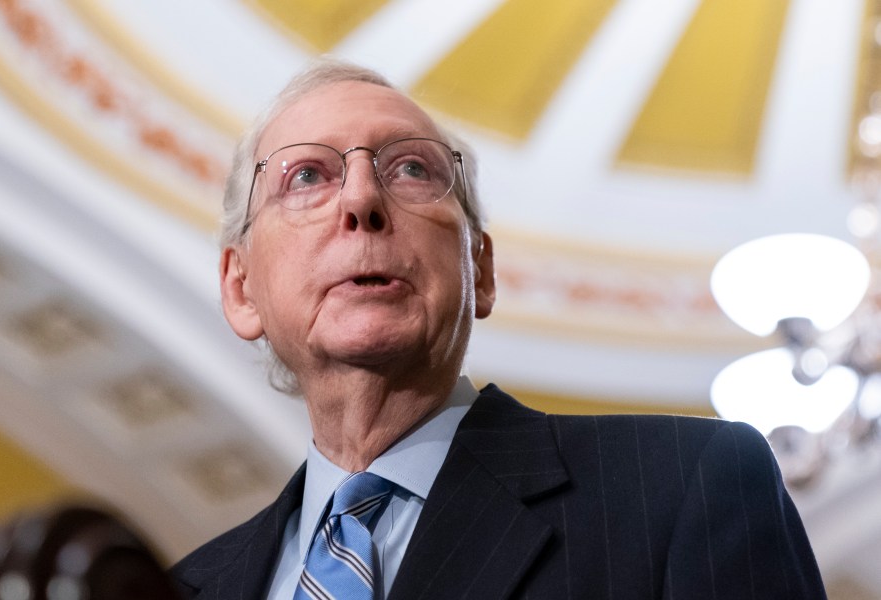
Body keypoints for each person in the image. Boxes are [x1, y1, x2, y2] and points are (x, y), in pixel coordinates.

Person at [170, 59, 826, 599]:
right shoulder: (186, 587)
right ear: (240, 287)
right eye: (308, 175)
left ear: (479, 269)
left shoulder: (684, 487)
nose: (362, 199)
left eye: (412, 169)